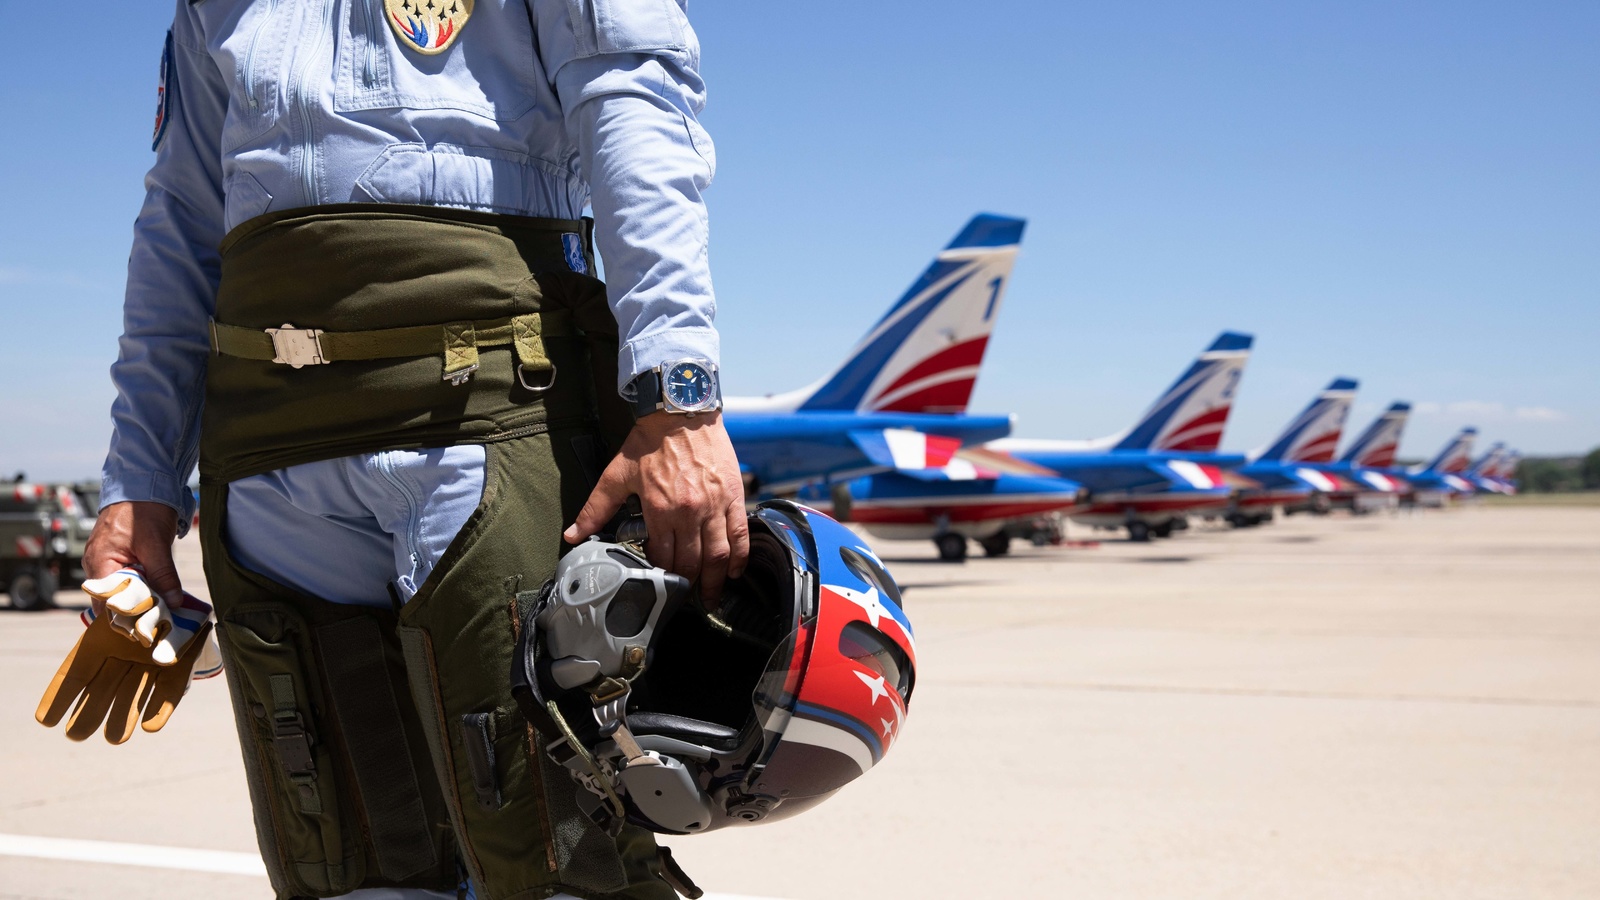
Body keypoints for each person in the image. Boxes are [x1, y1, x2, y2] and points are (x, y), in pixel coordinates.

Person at [82, 1, 745, 897]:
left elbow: (634, 111)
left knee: (559, 853)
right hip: (268, 454)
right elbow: (182, 219)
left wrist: (678, 397)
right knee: (348, 863)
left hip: (491, 417)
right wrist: (140, 481)